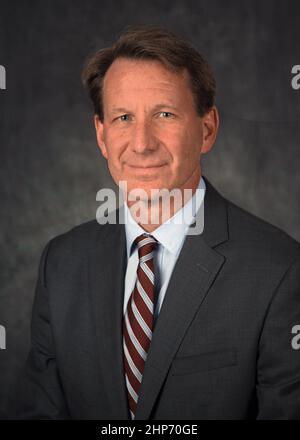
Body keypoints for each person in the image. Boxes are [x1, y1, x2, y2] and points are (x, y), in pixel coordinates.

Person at [12, 25, 300, 420]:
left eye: (164, 114)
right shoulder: (61, 264)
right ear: (101, 136)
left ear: (207, 129)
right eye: (123, 117)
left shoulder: (279, 270)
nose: (142, 143)